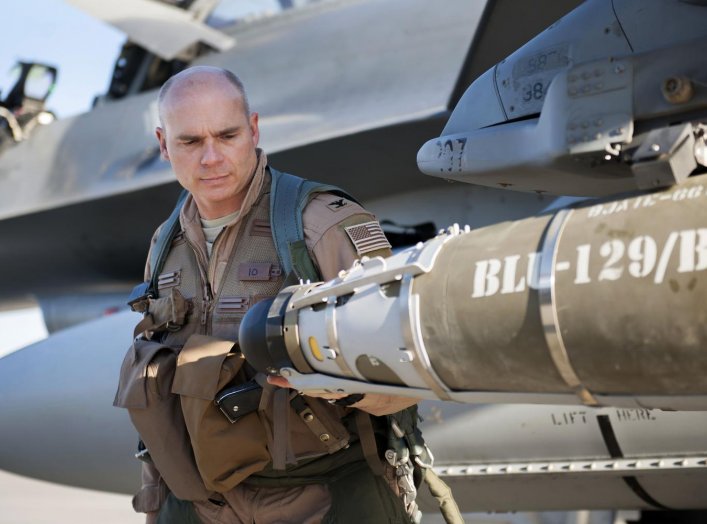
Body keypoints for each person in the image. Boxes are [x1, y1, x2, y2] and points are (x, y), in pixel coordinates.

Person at [122, 65, 422, 524]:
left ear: (254, 130)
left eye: (227, 135)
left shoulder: (319, 224)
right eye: (190, 142)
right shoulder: (166, 243)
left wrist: (337, 383)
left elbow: (410, 369)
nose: (212, 158)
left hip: (318, 497)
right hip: (202, 503)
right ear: (164, 144)